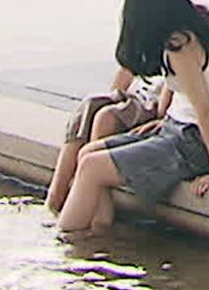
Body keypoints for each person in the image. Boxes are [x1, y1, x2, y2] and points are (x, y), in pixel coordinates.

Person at [58, 0, 209, 235]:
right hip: (180, 130)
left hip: (195, 143)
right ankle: (99, 229)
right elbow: (187, 95)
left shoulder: (180, 45)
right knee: (88, 153)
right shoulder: (188, 27)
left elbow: (206, 109)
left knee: (91, 167)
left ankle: (65, 242)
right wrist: (166, 121)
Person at [45, 69, 165, 213]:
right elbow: (126, 67)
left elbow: (169, 95)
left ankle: (91, 209)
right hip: (135, 95)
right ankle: (54, 198)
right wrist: (114, 97)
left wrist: (163, 119)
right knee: (90, 103)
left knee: (105, 117)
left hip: (153, 104)